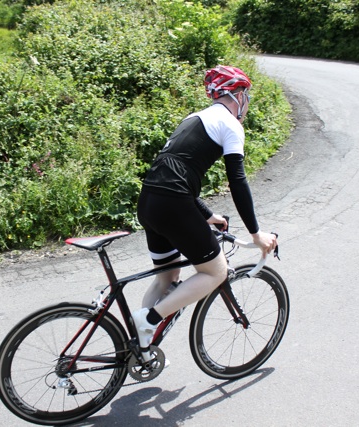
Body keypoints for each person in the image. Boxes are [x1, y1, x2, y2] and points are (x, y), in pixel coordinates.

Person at [133, 65, 278, 361]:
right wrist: (256, 234)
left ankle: (137, 348)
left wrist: (206, 214)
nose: (247, 102)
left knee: (167, 277)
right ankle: (149, 321)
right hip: (173, 203)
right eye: (246, 95)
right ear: (236, 95)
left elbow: (173, 171)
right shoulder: (230, 124)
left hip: (149, 201)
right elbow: (237, 181)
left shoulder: (194, 119)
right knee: (215, 271)